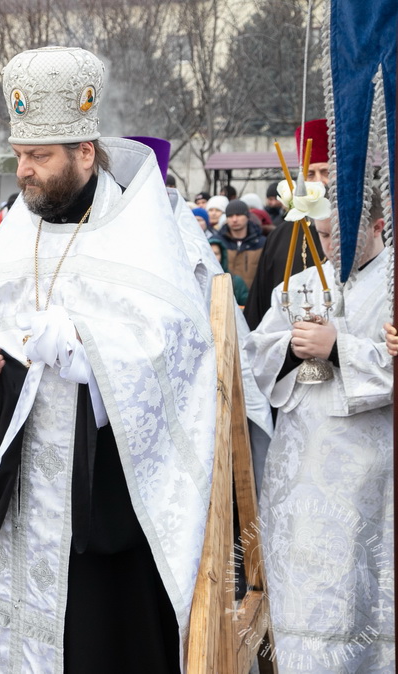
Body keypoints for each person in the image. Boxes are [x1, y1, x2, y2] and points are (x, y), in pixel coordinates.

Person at [0, 46, 214, 672]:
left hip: (99, 504)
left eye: (39, 158)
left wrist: (88, 357)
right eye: (20, 156)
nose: (23, 173)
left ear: (85, 152)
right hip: (16, 497)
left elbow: (181, 355)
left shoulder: (140, 229)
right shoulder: (20, 229)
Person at [246, 207, 393, 670]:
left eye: (341, 236)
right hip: (298, 461)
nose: (329, 246)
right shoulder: (299, 284)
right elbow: (257, 351)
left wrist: (338, 347)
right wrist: (291, 347)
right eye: (324, 234)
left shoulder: (391, 284)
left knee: (355, 588)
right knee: (302, 593)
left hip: (364, 469)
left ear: (376, 226)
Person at [243, 119, 330, 329]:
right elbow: (260, 306)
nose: (318, 181)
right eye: (310, 174)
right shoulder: (279, 237)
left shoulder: (363, 233)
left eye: (326, 172)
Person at [214, 199, 266, 289]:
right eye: (230, 216)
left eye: (238, 215)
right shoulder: (218, 242)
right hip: (224, 296)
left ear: (247, 216)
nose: (234, 219)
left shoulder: (262, 243)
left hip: (253, 299)